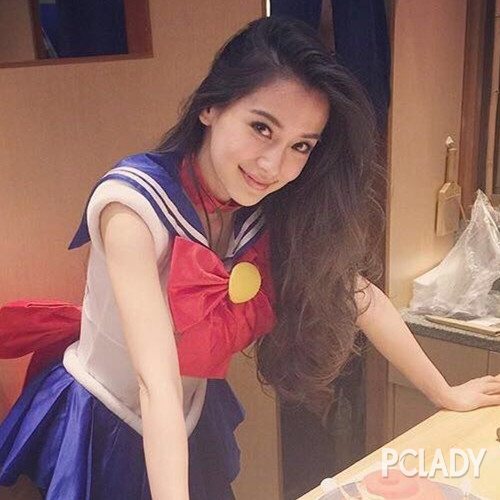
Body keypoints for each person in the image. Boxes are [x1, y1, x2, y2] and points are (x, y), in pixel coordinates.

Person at [1, 16, 500, 500]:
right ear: (211, 107)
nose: (273, 165)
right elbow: (156, 382)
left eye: (300, 146)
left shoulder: (261, 208)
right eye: (262, 128)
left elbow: (357, 293)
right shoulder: (131, 208)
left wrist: (444, 392)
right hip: (103, 420)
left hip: (186, 418)